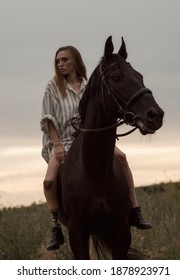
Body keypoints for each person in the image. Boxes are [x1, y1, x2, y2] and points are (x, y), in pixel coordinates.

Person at [40, 45, 151, 251]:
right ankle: (55, 223)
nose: (60, 64)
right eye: (58, 61)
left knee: (122, 158)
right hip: (63, 141)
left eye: (65, 60)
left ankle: (134, 209)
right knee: (49, 180)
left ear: (75, 61)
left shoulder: (87, 84)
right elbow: (48, 120)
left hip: (87, 137)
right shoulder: (53, 87)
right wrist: (56, 146)